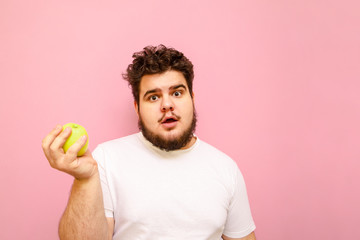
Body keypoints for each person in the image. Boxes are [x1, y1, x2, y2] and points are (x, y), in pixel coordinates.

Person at [42, 45, 256, 240]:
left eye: (177, 93)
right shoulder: (106, 160)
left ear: (192, 97)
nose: (167, 104)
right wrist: (85, 180)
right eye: (153, 97)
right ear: (137, 108)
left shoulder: (226, 169)